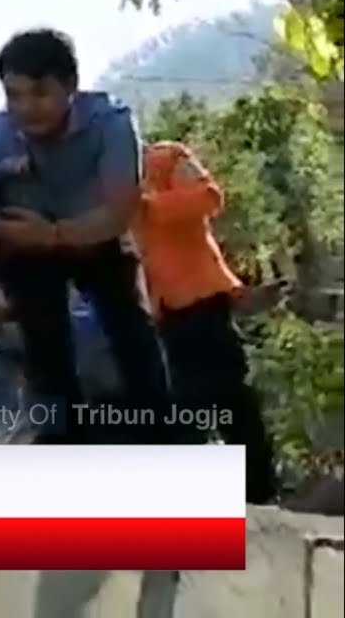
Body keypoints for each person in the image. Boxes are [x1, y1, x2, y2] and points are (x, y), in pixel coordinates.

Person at [0, 28, 176, 444]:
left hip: (94, 234)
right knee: (44, 344)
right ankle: (65, 446)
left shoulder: (112, 123)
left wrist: (56, 234)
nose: (27, 108)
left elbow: (120, 214)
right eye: (14, 95)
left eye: (40, 93)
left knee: (131, 333)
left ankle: (162, 439)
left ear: (71, 86)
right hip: (27, 245)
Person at [136, 140, 278, 502]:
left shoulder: (168, 158)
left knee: (231, 398)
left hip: (203, 301)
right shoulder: (106, 185)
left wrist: (149, 206)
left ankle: (258, 496)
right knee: (185, 407)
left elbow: (208, 197)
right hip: (162, 312)